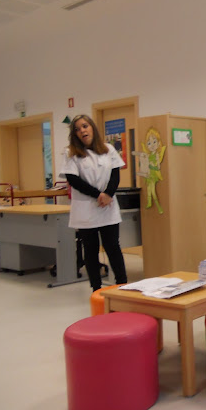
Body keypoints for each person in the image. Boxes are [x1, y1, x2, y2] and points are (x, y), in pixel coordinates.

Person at [59, 114, 128, 291]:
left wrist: (108, 194)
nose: (82, 131)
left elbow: (115, 175)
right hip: (86, 208)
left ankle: (122, 285)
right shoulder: (70, 153)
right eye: (77, 129)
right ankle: (96, 289)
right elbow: (73, 179)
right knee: (90, 249)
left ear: (92, 128)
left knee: (113, 247)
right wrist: (98, 195)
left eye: (85, 126)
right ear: (74, 134)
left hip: (108, 207)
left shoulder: (108, 149)